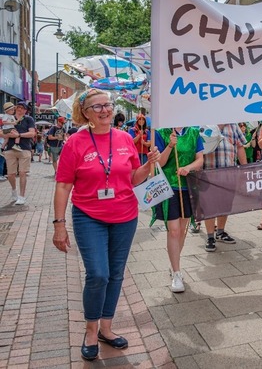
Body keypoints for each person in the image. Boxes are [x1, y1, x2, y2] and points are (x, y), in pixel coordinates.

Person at [51, 88, 160, 361]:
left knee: (116, 274)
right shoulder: (75, 143)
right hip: (89, 216)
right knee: (98, 274)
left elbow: (134, 178)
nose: (104, 110)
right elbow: (64, 186)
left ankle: (106, 329)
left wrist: (149, 166)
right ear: (85, 112)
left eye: (107, 105)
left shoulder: (124, 138)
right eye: (97, 107)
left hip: (126, 216)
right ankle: (90, 330)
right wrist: (59, 225)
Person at [152, 127, 204, 292]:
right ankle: (176, 273)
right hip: (168, 187)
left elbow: (200, 160)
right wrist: (169, 146)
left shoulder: (194, 133)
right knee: (173, 231)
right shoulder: (161, 133)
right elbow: (159, 163)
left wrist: (189, 167)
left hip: (188, 186)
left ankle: (175, 263)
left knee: (182, 230)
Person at [202, 124, 247, 252]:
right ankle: (210, 237)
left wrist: (245, 169)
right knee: (209, 207)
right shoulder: (206, 124)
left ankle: (220, 232)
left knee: (225, 205)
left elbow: (240, 147)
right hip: (209, 173)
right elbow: (199, 149)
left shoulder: (233, 125)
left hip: (229, 173)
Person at [4, 101, 36, 205]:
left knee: (22, 173)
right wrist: (9, 135)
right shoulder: (9, 118)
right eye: (18, 107)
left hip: (24, 148)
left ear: (26, 110)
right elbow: (2, 131)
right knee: (10, 174)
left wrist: (19, 135)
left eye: (22, 107)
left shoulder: (28, 119)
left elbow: (32, 133)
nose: (19, 109)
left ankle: (22, 196)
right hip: (10, 148)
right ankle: (14, 190)